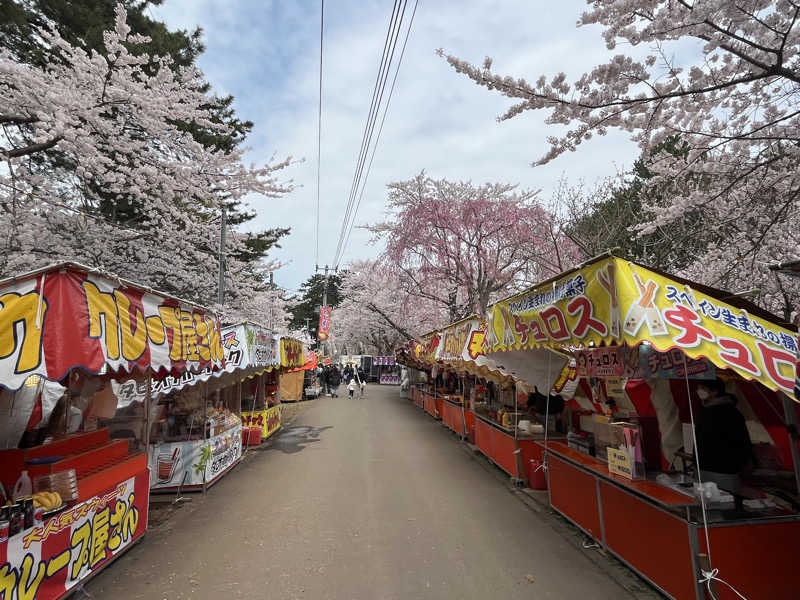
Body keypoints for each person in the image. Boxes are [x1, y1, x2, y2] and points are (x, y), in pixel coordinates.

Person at [694, 379, 754, 495]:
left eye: (703, 389)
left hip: (724, 469)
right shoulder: (703, 410)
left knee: (725, 502)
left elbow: (742, 440)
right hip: (702, 467)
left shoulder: (730, 412)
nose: (699, 391)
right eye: (699, 388)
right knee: (705, 504)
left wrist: (744, 462)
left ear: (714, 392)